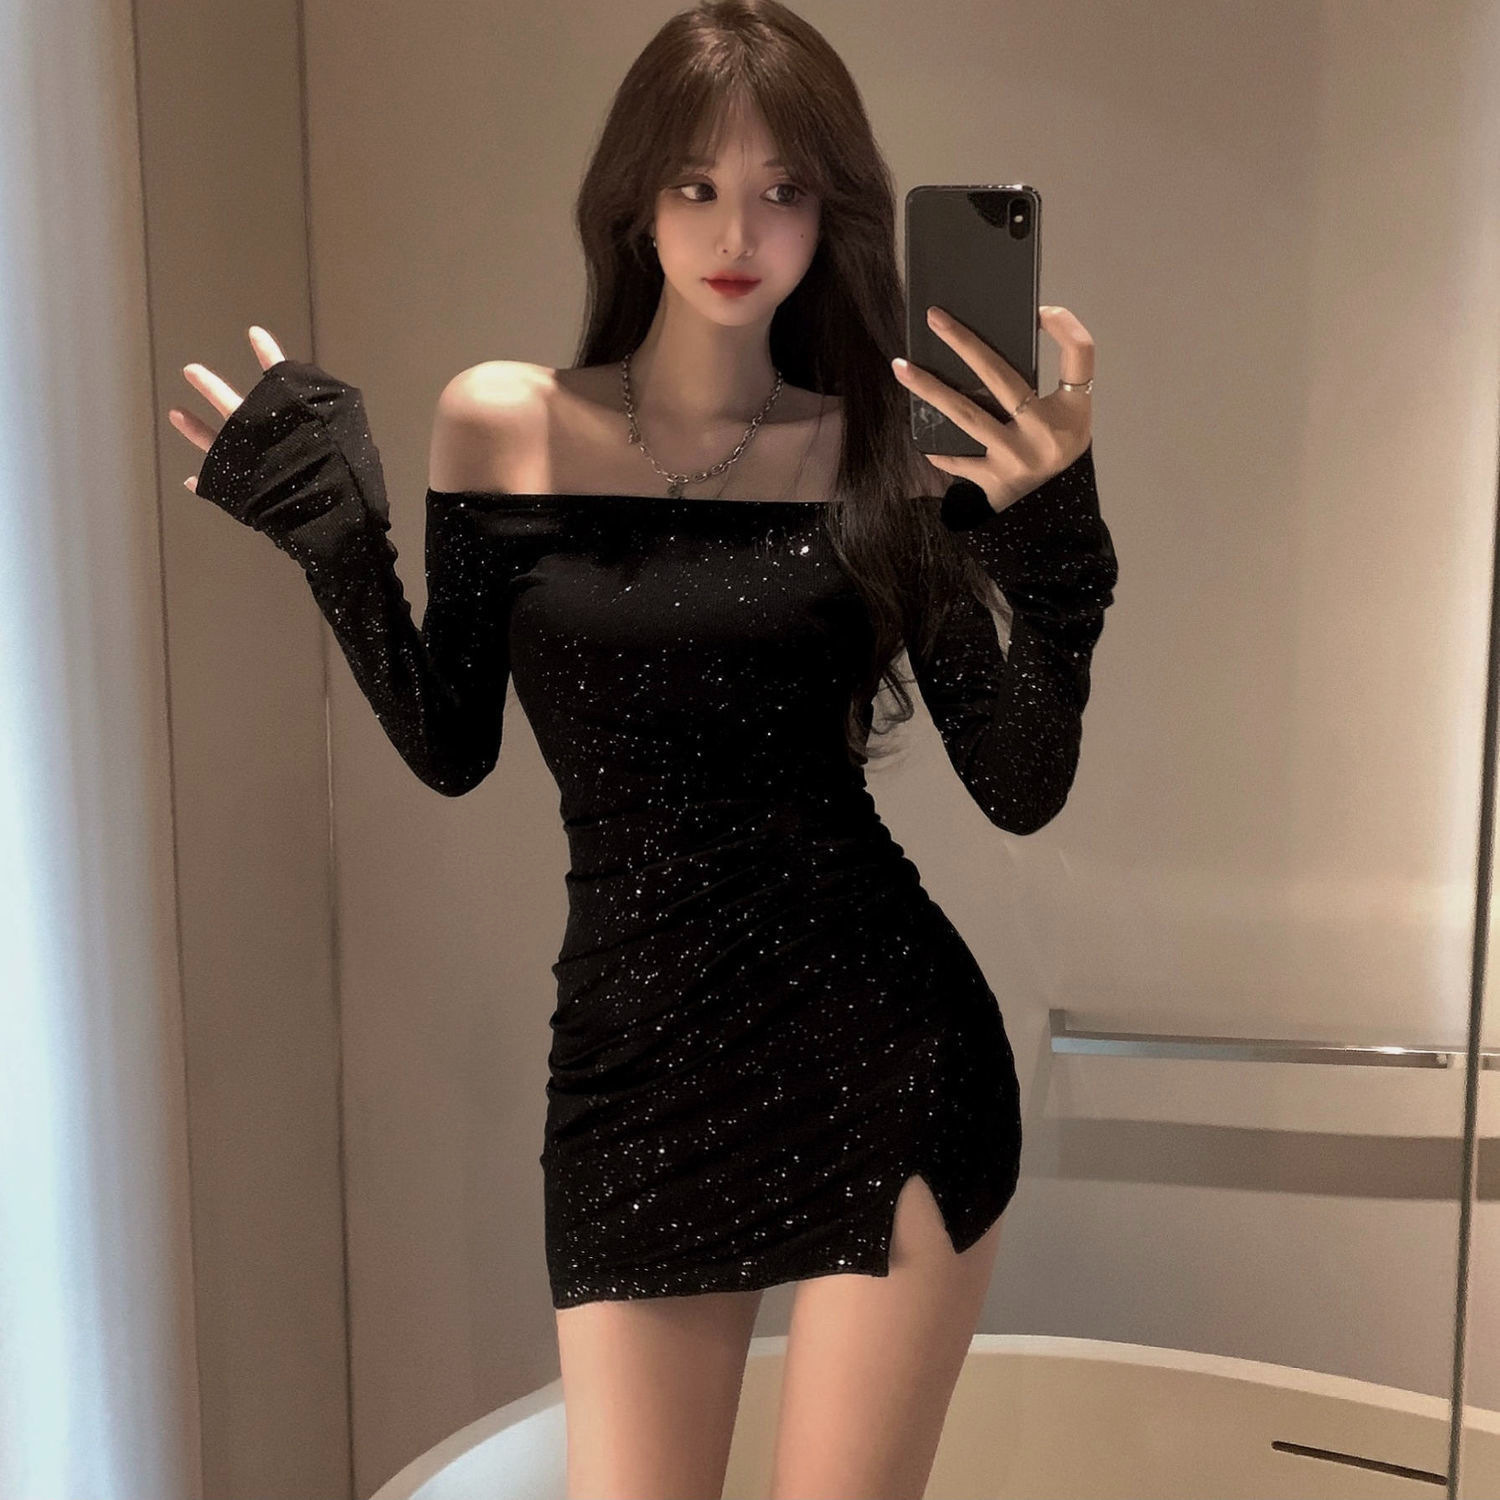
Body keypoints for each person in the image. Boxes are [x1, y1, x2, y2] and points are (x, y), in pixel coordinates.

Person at [166, 3, 1115, 1495]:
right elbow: (452, 743)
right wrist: (333, 536)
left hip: (883, 1047)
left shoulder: (882, 459)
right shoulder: (502, 422)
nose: (738, 232)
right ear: (635, 199)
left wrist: (1054, 553)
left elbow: (1019, 784)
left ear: (831, 212)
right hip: (637, 1067)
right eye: (696, 183)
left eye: (783, 189)